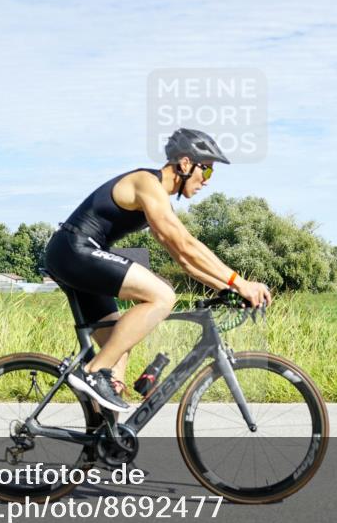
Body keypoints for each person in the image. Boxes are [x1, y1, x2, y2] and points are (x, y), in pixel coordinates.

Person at [43, 128, 273, 412]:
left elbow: (185, 260)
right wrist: (240, 282)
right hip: (74, 250)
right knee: (162, 296)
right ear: (186, 163)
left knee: (117, 348)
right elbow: (186, 244)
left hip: (74, 255)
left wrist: (227, 288)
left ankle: (103, 447)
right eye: (208, 171)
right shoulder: (146, 183)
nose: (207, 182)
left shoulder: (157, 199)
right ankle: (91, 373)